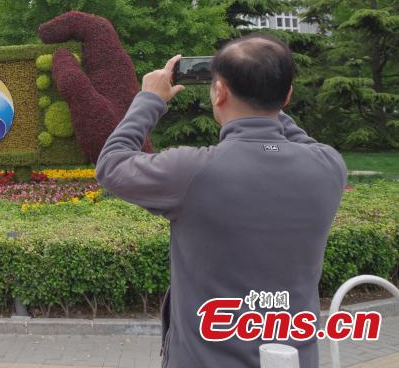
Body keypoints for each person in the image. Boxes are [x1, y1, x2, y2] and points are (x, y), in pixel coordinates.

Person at [96, 34, 347, 368]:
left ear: (219, 92)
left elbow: (111, 165)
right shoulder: (328, 166)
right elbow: (288, 133)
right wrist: (263, 94)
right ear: (288, 95)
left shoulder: (192, 172)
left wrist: (148, 100)